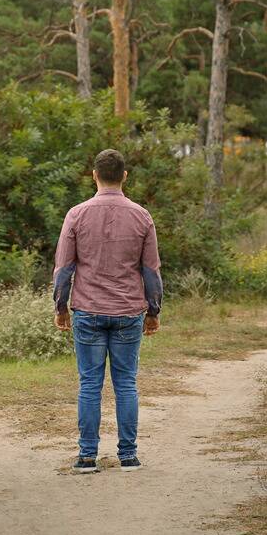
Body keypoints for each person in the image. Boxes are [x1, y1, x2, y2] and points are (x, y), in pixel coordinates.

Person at [53, 148, 162, 474]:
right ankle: (128, 456)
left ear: (94, 175)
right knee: (126, 383)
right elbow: (151, 271)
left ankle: (87, 456)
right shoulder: (142, 216)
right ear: (124, 176)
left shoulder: (76, 214)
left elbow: (64, 268)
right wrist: (153, 311)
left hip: (87, 310)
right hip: (129, 311)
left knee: (90, 384)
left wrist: (61, 307)